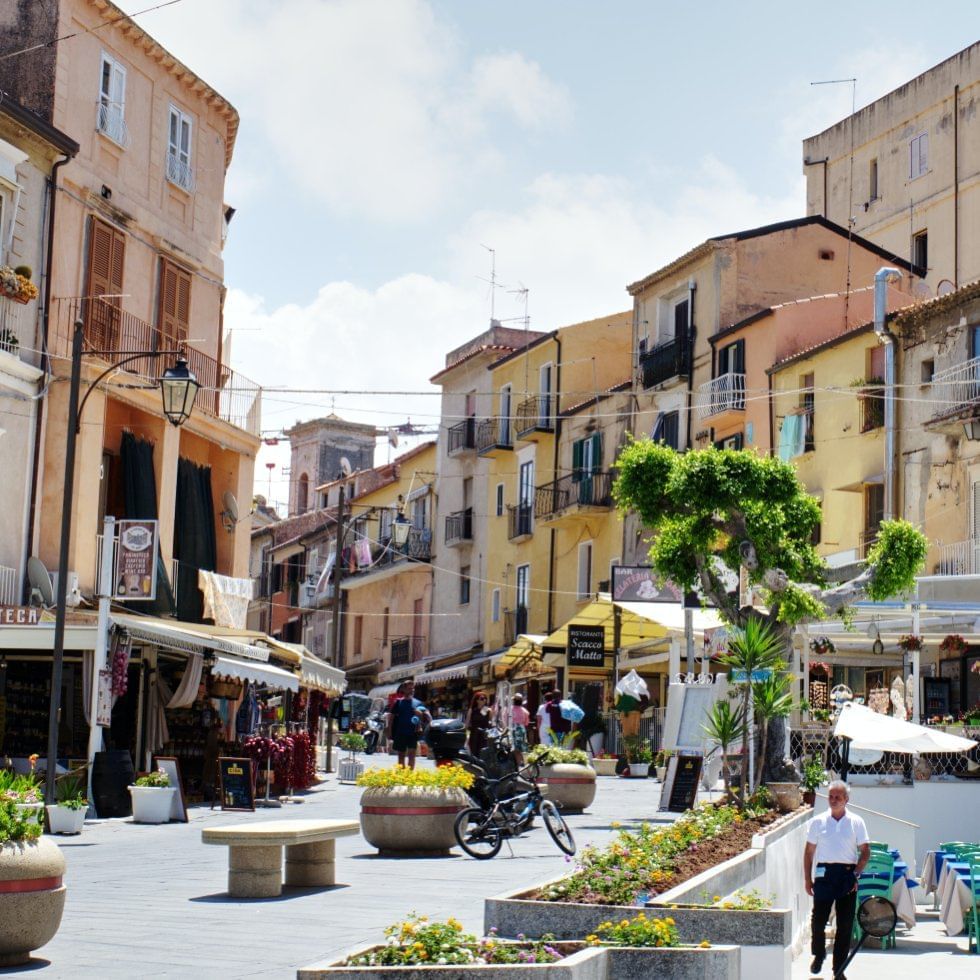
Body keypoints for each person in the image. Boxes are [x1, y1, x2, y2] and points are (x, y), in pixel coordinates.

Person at [803, 780, 870, 978]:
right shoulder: (818, 822)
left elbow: (865, 852)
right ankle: (819, 954)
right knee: (818, 920)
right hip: (824, 873)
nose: (833, 800)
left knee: (845, 925)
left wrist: (855, 874)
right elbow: (808, 853)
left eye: (837, 797)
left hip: (846, 875)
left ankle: (838, 969)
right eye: (830, 796)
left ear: (846, 800)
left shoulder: (857, 822)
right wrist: (808, 878)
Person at [385, 680, 431, 769]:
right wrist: (389, 730)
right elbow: (391, 718)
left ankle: (409, 775)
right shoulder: (398, 702)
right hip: (400, 732)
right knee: (401, 755)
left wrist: (421, 715)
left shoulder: (418, 703)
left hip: (413, 732)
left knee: (412, 755)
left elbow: (424, 718)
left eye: (413, 688)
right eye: (409, 688)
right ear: (404, 689)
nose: (412, 690)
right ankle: (401, 775)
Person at [465, 692, 492, 758]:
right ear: (477, 700)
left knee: (483, 753)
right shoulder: (472, 710)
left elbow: (491, 722)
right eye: (482, 698)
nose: (484, 700)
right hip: (474, 734)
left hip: (484, 735)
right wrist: (466, 736)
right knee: (474, 753)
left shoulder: (488, 710)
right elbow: (467, 724)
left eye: (485, 698)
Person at [510, 694, 530, 766]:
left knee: (515, 748)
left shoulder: (510, 710)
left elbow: (505, 719)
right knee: (522, 748)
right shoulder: (525, 711)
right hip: (522, 729)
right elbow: (526, 723)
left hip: (513, 729)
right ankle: (524, 763)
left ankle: (519, 764)